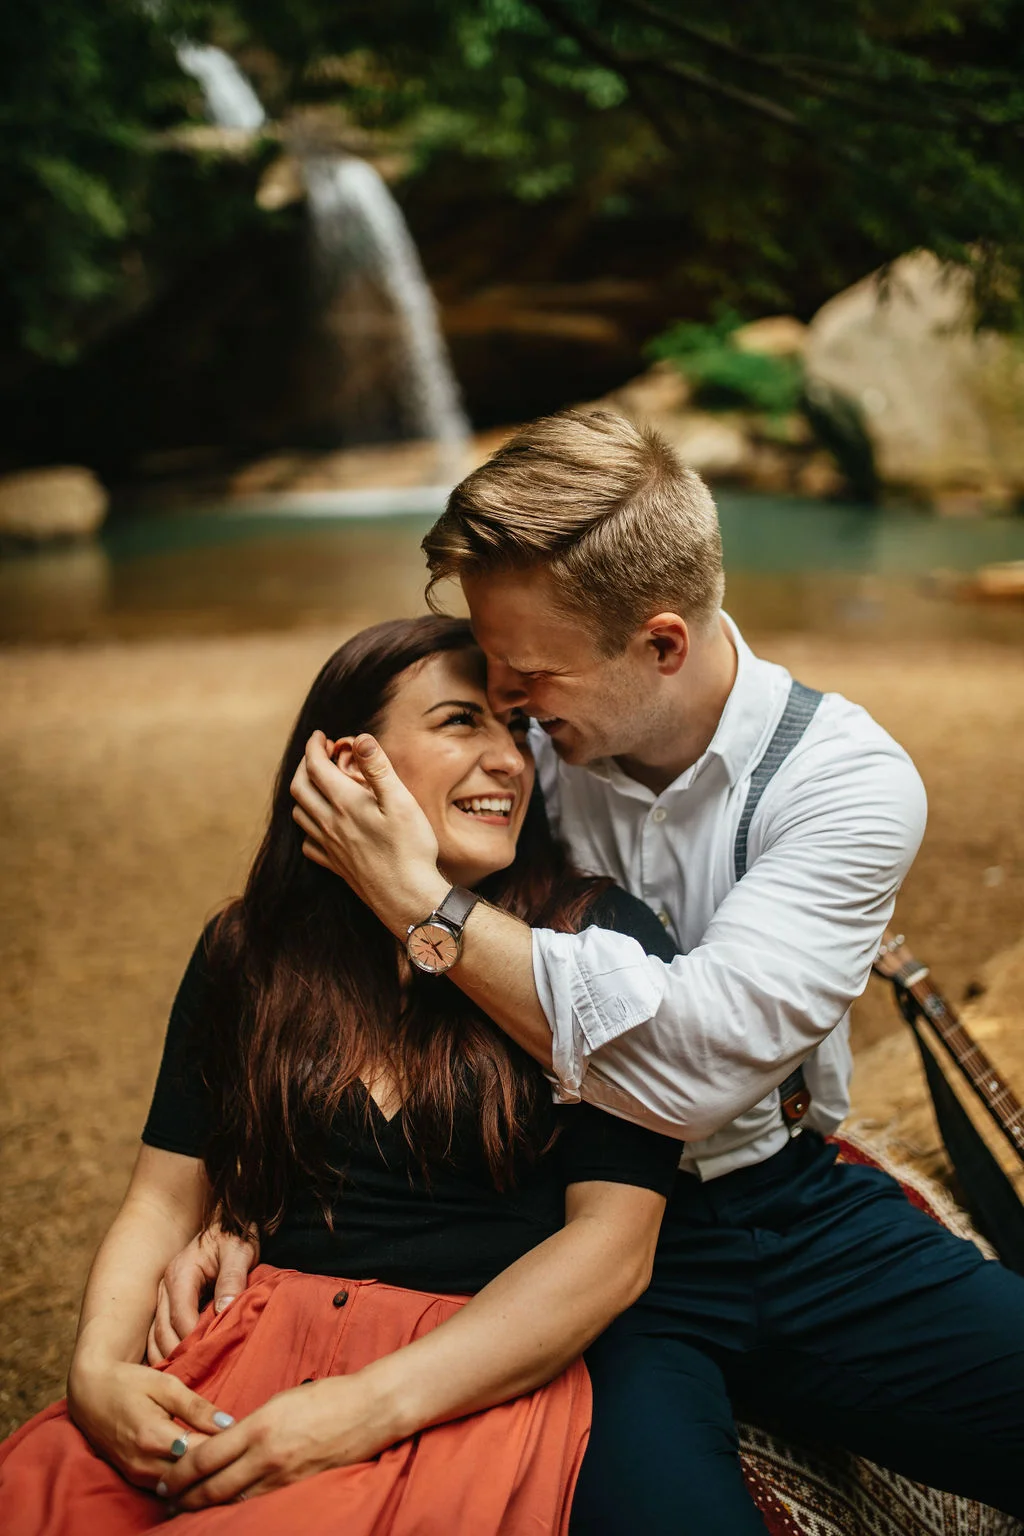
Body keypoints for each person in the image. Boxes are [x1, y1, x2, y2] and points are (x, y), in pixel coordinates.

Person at [169, 409, 1024, 1530]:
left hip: (786, 1210)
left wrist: (426, 907)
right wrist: (270, 1196)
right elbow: (324, 955)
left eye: (527, 674)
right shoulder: (524, 752)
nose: (509, 711)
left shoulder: (842, 784)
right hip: (554, 1223)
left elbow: (690, 1065)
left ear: (660, 644)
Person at [0, 615, 686, 1536]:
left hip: (454, 1383)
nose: (511, 761)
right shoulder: (254, 948)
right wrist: (96, 1374)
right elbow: (164, 1201)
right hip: (245, 1352)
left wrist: (365, 1406)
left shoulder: (595, 946)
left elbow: (611, 1244)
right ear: (344, 762)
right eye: (460, 723)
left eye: (516, 729)